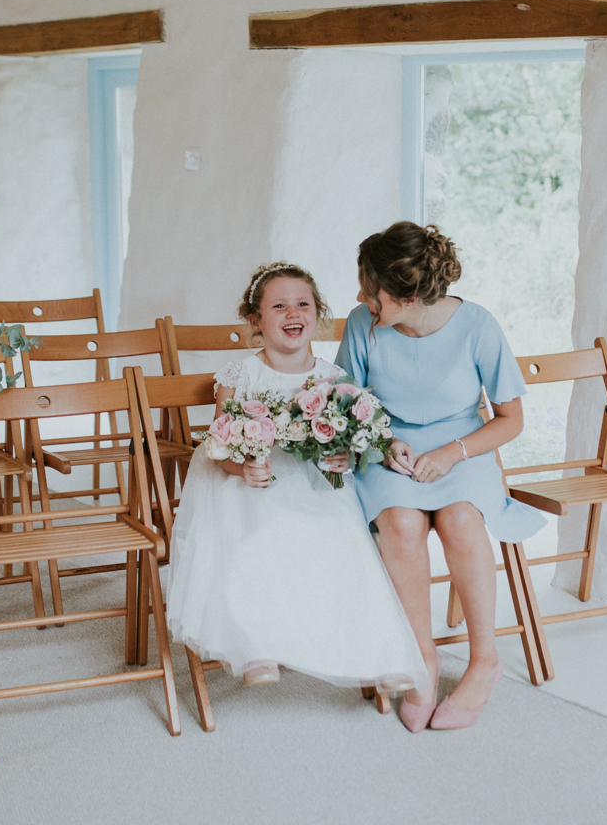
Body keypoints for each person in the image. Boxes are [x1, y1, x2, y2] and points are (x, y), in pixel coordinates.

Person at [165, 262, 428, 697]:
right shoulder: (240, 375)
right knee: (258, 535)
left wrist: (343, 456)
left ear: (317, 313)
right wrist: (241, 466)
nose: (293, 313)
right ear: (256, 321)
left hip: (313, 482)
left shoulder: (332, 378)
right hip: (254, 482)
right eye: (279, 305)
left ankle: (382, 654)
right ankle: (257, 645)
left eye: (303, 304)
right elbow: (220, 444)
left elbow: (348, 441)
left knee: (346, 540)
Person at [335, 222, 545, 732]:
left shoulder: (477, 326)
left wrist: (453, 453)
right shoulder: (362, 323)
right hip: (390, 452)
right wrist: (382, 444)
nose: (361, 296)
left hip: (464, 448)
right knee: (402, 525)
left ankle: (484, 661)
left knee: (460, 521)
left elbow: (510, 419)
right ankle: (421, 659)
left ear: (405, 295)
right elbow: (345, 399)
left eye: (370, 287)